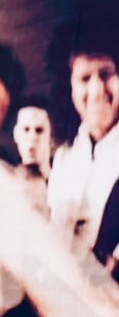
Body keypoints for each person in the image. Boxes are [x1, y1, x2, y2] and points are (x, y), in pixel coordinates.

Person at [47, 47, 119, 256]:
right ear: (71, 90)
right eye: (85, 78)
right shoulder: (63, 159)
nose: (96, 90)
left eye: (105, 74)